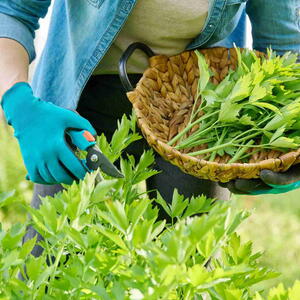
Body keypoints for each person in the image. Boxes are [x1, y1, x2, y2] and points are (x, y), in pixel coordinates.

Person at [0, 0, 300, 222]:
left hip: (200, 115)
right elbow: (11, 11)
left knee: (188, 270)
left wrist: (292, 146)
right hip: (82, 100)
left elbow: (283, 44)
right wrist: (21, 104)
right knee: (53, 260)